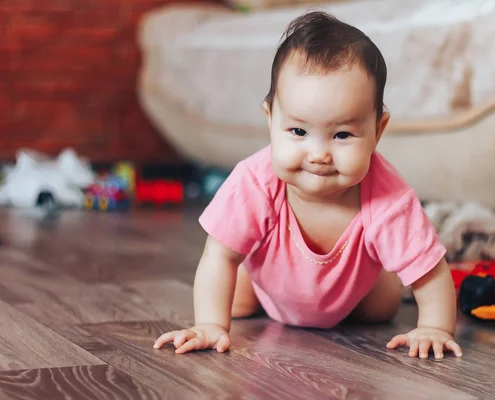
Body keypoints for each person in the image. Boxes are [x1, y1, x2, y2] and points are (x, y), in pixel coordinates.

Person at [154, 10, 462, 360]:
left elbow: (431, 271)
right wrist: (210, 325)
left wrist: (434, 327)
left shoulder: (389, 199)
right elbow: (219, 255)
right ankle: (250, 292)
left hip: (353, 296)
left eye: (342, 134)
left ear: (377, 131)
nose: (319, 154)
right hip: (266, 288)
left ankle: (377, 281)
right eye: (299, 131)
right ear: (270, 119)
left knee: (383, 304)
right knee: (235, 293)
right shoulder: (255, 182)